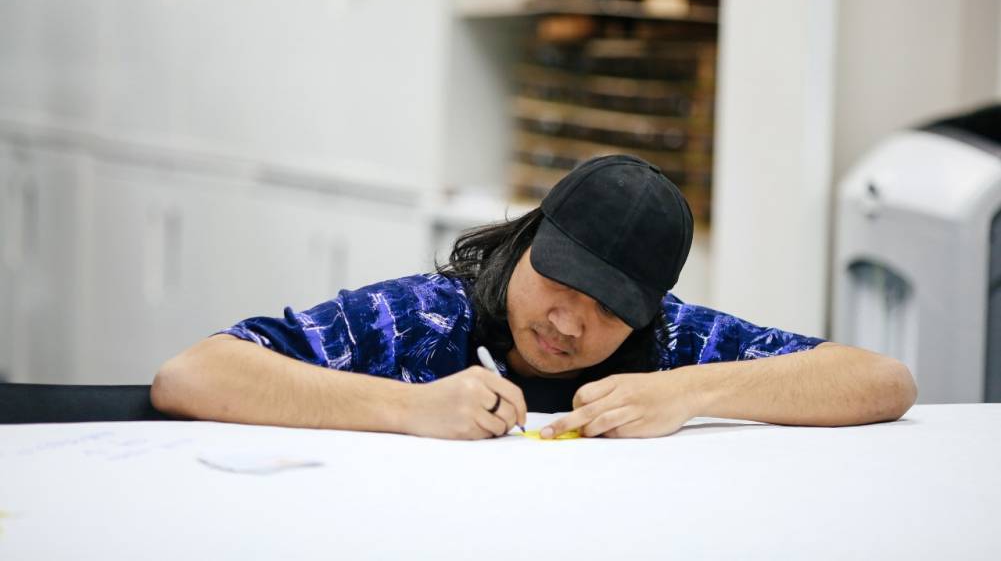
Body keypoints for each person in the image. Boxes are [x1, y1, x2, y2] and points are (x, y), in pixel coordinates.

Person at [151, 154, 917, 439]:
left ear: (650, 308)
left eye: (609, 306)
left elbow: (883, 380)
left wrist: (689, 392)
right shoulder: (422, 317)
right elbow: (193, 374)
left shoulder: (672, 343)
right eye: (558, 279)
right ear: (525, 241)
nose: (567, 321)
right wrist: (405, 407)